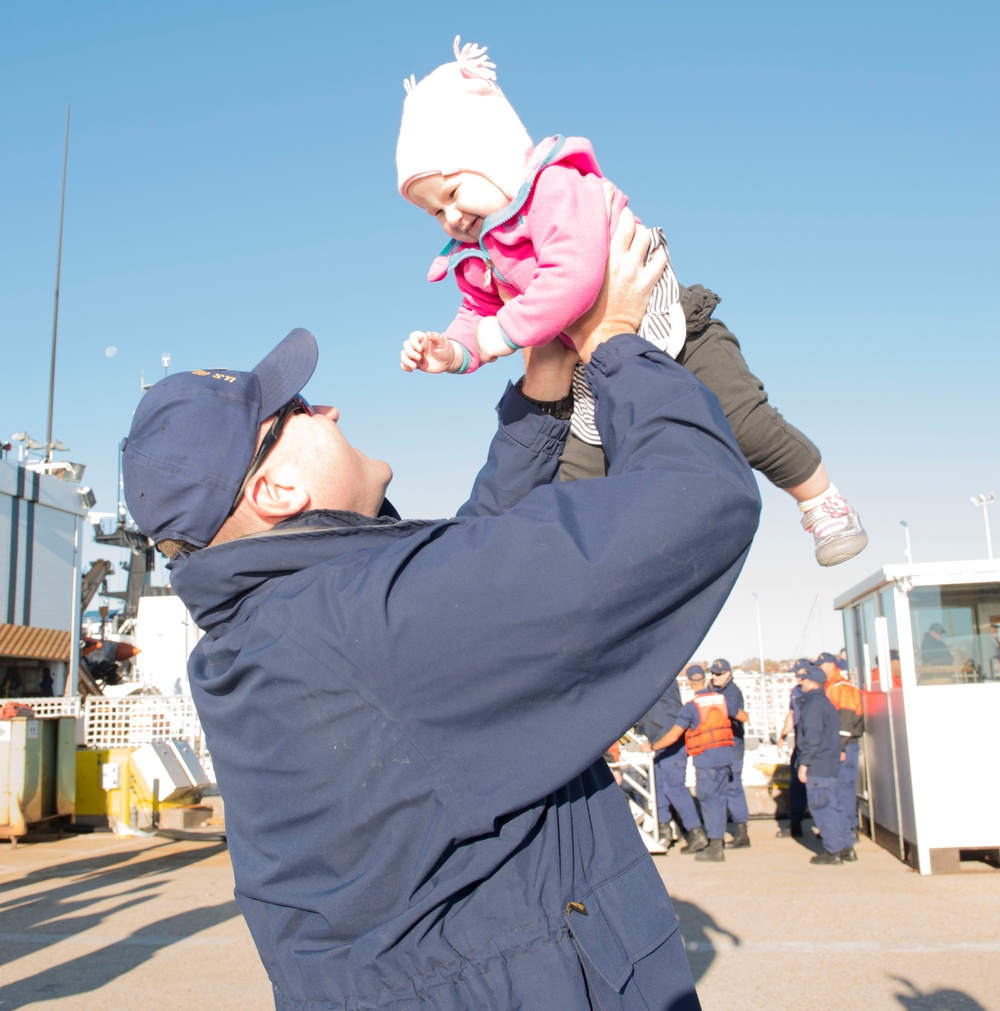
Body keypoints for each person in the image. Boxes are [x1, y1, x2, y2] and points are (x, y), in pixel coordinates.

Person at [120, 213, 760, 1010]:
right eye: (301, 409)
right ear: (275, 492)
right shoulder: (354, 627)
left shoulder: (281, 631)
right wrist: (617, 344)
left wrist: (543, 387)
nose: (331, 412)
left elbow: (461, 571)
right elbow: (697, 504)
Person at [395, 36, 866, 568]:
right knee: (578, 477)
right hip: (593, 372)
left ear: (495, 157)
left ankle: (821, 499)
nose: (452, 218)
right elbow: (476, 314)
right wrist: (453, 351)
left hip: (674, 334)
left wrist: (498, 335)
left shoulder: (554, 189)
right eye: (434, 212)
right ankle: (582, 572)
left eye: (454, 192)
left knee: (745, 422)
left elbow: (573, 279)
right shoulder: (477, 253)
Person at [641, 667, 749, 863]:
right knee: (719, 799)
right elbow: (743, 717)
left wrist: (653, 746)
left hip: (705, 759)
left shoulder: (691, 706)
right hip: (724, 757)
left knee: (708, 801)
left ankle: (714, 847)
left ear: (690, 682)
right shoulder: (720, 699)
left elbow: (674, 734)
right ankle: (717, 841)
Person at [635, 666, 709, 855]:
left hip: (669, 744)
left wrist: (654, 744)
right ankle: (664, 829)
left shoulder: (662, 679)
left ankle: (696, 832)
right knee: (657, 788)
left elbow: (667, 720)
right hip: (660, 744)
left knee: (675, 789)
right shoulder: (651, 683)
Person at [792, 661, 856, 864]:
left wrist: (804, 763)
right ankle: (846, 846)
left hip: (818, 764)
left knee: (823, 808)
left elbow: (811, 738)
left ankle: (833, 851)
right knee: (835, 806)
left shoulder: (812, 706)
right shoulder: (826, 703)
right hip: (829, 762)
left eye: (803, 679)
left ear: (811, 683)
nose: (801, 683)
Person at [816, 650, 864, 838]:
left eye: (821, 666)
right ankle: (840, 827)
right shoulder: (831, 687)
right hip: (837, 746)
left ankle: (848, 829)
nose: (819, 669)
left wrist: (840, 747)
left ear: (830, 666)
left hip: (844, 746)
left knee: (843, 788)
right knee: (837, 788)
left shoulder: (841, 688)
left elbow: (846, 720)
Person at [707, 658, 751, 848]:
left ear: (728, 674)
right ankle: (730, 829)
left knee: (733, 787)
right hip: (719, 746)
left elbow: (737, 715)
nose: (714, 677)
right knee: (722, 788)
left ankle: (742, 831)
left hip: (732, 746)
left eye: (718, 674)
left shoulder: (732, 692)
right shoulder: (714, 691)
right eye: (713, 673)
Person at [776, 666, 808, 837]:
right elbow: (791, 714)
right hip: (800, 742)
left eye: (800, 673)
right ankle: (796, 823)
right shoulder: (796, 691)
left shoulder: (817, 692)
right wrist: (783, 735)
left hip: (813, 743)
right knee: (796, 784)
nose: (797, 677)